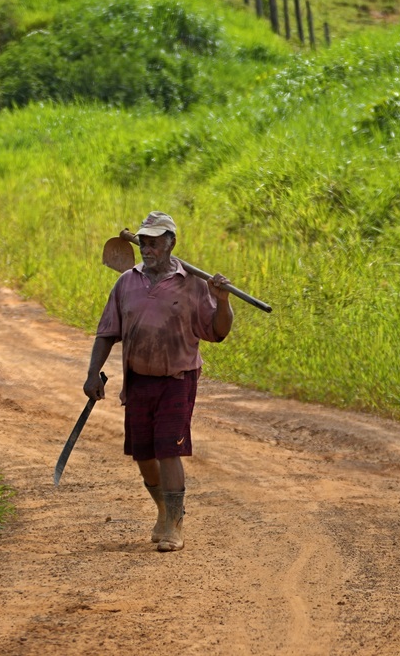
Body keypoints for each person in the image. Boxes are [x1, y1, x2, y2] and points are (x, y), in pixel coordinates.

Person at [83, 211, 233, 552]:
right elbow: (107, 333)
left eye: (155, 242)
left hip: (177, 377)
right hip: (139, 379)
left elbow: (218, 332)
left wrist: (222, 300)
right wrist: (93, 373)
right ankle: (163, 509)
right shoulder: (126, 283)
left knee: (169, 449)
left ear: (171, 243)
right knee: (143, 453)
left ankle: (175, 525)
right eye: (144, 242)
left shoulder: (193, 284)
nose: (147, 248)